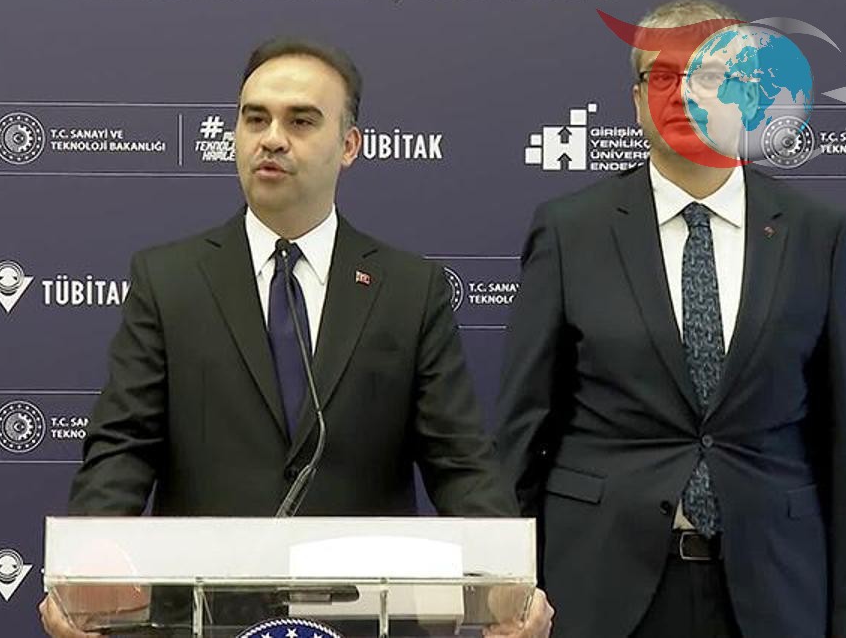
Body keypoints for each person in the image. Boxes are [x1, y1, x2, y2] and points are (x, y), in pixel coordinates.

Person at [40, 36, 552, 638]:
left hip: (361, 622)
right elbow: (122, 450)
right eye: (255, 119)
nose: (272, 138)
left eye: (301, 121)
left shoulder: (410, 290)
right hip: (206, 624)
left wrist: (507, 584)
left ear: (349, 145)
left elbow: (460, 460)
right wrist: (85, 575)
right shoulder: (168, 281)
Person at [497, 0, 846, 638]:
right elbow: (521, 432)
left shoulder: (816, 233)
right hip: (599, 590)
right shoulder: (570, 231)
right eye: (661, 76)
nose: (682, 93)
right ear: (637, 101)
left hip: (773, 591)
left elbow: (843, 444)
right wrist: (505, 592)